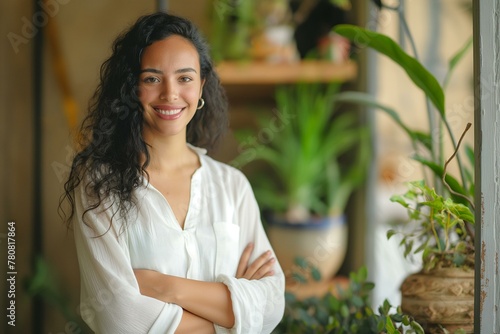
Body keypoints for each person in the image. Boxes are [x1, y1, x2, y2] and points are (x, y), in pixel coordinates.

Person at [60, 12, 285, 334]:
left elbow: (271, 305)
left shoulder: (232, 186)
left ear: (202, 86)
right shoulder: (100, 185)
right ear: (132, 88)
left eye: (185, 78)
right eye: (152, 78)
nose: (170, 94)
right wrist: (233, 314)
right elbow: (117, 317)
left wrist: (162, 286)